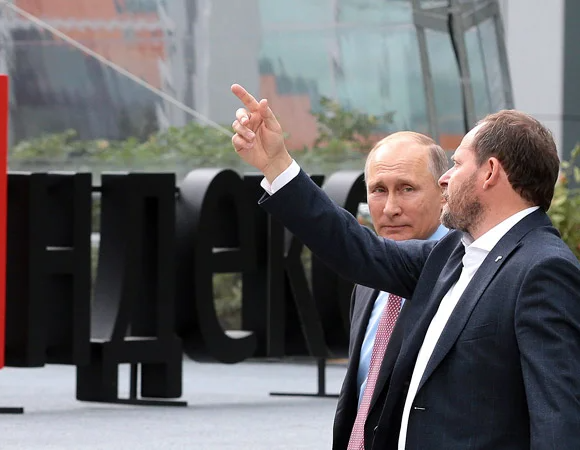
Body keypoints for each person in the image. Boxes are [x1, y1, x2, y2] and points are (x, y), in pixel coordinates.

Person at [229, 83, 580, 450]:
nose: (445, 178)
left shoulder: (542, 269)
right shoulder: (452, 254)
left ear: (489, 172)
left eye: (457, 164)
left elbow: (559, 420)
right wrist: (276, 165)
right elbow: (354, 247)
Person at [334, 132, 449, 450]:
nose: (390, 208)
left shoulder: (462, 272)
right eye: (379, 190)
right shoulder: (367, 281)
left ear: (444, 193)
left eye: (407, 189)